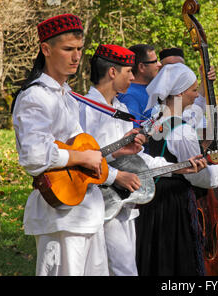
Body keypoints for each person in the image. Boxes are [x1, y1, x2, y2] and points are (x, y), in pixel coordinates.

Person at [78, 44, 206, 276]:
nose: (133, 77)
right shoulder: (83, 108)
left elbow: (137, 160)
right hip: (87, 202)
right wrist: (117, 174)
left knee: (125, 270)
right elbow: (82, 157)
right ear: (112, 72)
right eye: (129, 71)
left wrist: (177, 169)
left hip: (120, 203)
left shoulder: (122, 110)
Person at [11, 14, 112, 276]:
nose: (76, 57)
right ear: (46, 49)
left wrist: (108, 163)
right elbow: (34, 155)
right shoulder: (35, 96)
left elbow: (83, 150)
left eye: (79, 49)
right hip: (59, 217)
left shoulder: (66, 95)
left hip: (86, 214)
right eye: (68, 49)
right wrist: (80, 159)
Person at [135, 63, 218, 276]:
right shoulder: (183, 130)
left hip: (151, 200)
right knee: (177, 260)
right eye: (194, 90)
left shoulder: (154, 120)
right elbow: (197, 175)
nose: (197, 95)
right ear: (179, 93)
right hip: (173, 205)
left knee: (154, 259)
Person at [117, 44, 162, 123]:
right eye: (154, 61)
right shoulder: (129, 96)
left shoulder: (149, 89)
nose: (159, 64)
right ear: (141, 67)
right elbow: (132, 132)